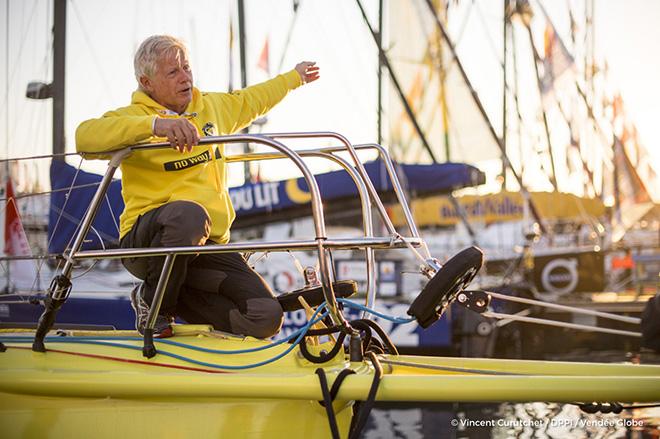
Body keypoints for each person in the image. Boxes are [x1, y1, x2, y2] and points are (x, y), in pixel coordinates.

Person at [76, 35, 319, 338]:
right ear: (147, 82)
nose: (185, 78)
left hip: (206, 246)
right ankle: (154, 306)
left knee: (265, 316)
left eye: (187, 68)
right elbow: (84, 137)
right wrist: (154, 125)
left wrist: (294, 77)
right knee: (189, 216)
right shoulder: (132, 118)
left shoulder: (211, 108)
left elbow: (253, 99)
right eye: (173, 72)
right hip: (147, 245)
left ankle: (173, 312)